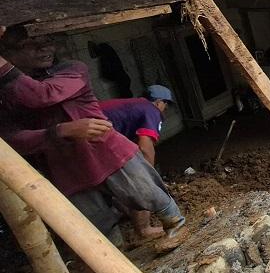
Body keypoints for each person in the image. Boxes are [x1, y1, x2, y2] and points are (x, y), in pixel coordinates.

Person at [0, 25, 187, 245]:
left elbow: (42, 95)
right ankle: (118, 253)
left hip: (104, 150)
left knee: (143, 190)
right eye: (31, 44)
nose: (44, 48)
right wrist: (60, 131)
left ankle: (174, 224)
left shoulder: (72, 69)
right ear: (8, 53)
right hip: (65, 166)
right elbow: (11, 140)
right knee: (96, 220)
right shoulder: (150, 111)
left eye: (47, 41)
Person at [99, 85, 175, 239]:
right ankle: (144, 229)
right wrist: (149, 176)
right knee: (140, 181)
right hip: (96, 139)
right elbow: (146, 147)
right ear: (159, 102)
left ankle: (126, 213)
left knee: (114, 184)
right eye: (165, 105)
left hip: (82, 138)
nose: (164, 109)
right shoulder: (151, 110)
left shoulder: (134, 106)